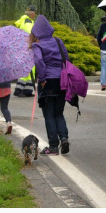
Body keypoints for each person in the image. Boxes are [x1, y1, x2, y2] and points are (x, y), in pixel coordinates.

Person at [31, 15, 70, 156]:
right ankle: (64, 138)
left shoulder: (37, 45)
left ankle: (53, 146)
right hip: (62, 80)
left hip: (47, 81)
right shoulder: (58, 41)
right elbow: (67, 59)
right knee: (59, 113)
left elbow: (39, 62)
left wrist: (42, 78)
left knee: (49, 114)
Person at [14, 5, 37, 97]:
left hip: (24, 48)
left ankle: (27, 90)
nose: (35, 15)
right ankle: (19, 90)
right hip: (27, 48)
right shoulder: (28, 21)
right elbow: (29, 34)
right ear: (32, 13)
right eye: (34, 13)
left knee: (30, 68)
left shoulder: (26, 20)